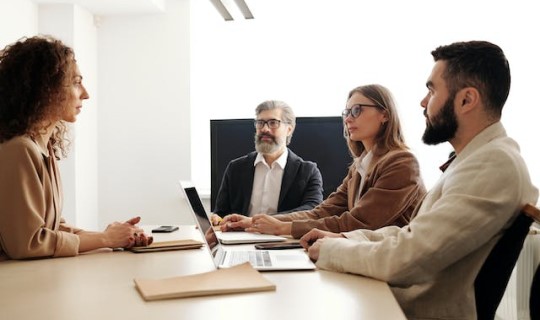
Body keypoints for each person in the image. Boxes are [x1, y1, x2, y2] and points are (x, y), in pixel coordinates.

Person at [299, 41, 539, 319]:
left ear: (466, 100)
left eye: (432, 90)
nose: (423, 102)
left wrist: (331, 250)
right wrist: (343, 238)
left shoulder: (493, 165)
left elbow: (405, 259)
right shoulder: (473, 161)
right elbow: (412, 235)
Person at [0, 35, 152, 260]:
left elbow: (51, 229)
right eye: (76, 81)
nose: (86, 93)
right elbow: (27, 243)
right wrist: (105, 239)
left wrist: (116, 235)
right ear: (45, 88)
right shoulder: (19, 150)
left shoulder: (42, 148)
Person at [220, 84, 426, 239]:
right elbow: (323, 211)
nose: (348, 119)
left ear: (385, 115)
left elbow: (360, 222)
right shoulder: (360, 165)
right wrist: (255, 222)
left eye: (357, 110)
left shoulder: (402, 163)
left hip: (395, 269)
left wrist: (283, 228)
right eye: (347, 112)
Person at [211, 100, 323, 224]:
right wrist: (216, 219)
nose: (265, 129)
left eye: (273, 123)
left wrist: (254, 221)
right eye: (260, 123)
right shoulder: (235, 168)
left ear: (289, 129)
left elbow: (312, 211)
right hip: (240, 237)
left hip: (283, 239)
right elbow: (221, 213)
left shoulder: (308, 172)